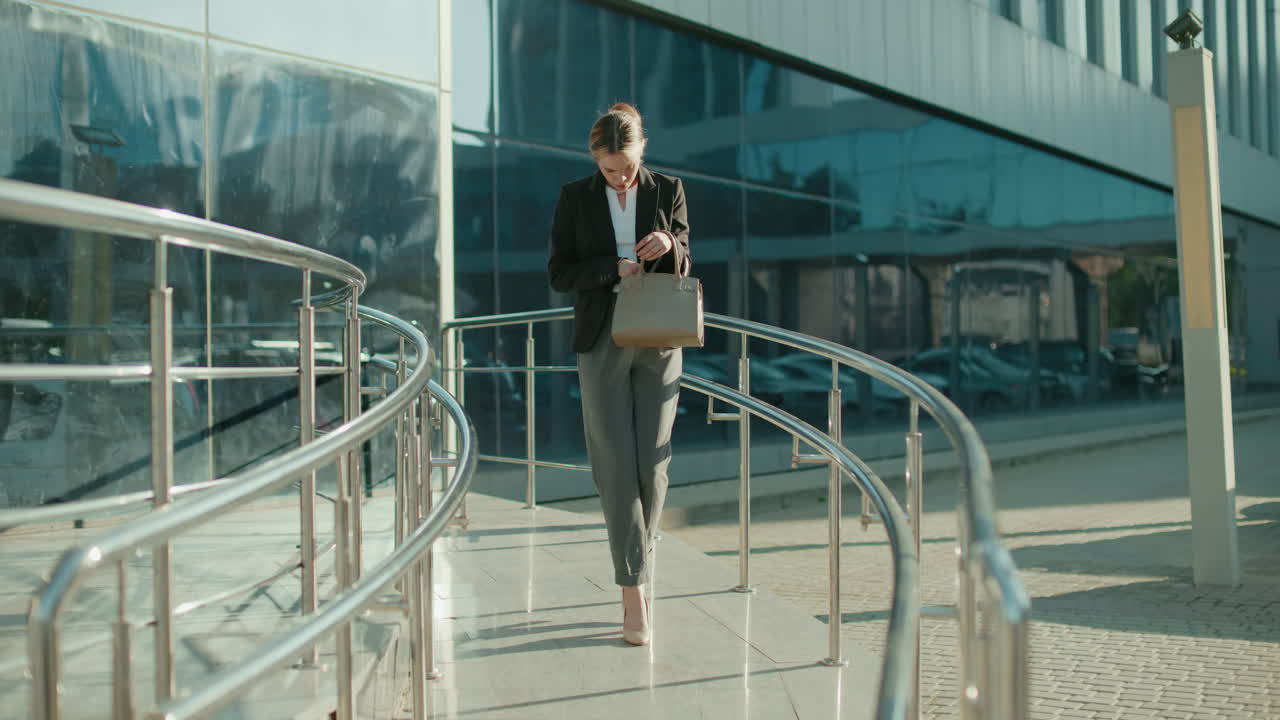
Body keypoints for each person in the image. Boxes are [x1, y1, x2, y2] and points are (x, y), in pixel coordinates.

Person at [547, 102, 690, 646]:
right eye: (610, 169)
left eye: (628, 166)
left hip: (660, 335)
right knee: (614, 464)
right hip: (601, 336)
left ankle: (638, 569)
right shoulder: (574, 198)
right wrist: (613, 268)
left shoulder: (669, 189)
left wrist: (670, 245)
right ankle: (633, 589)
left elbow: (687, 258)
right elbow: (560, 274)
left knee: (653, 464)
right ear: (595, 161)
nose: (622, 178)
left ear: (642, 150)